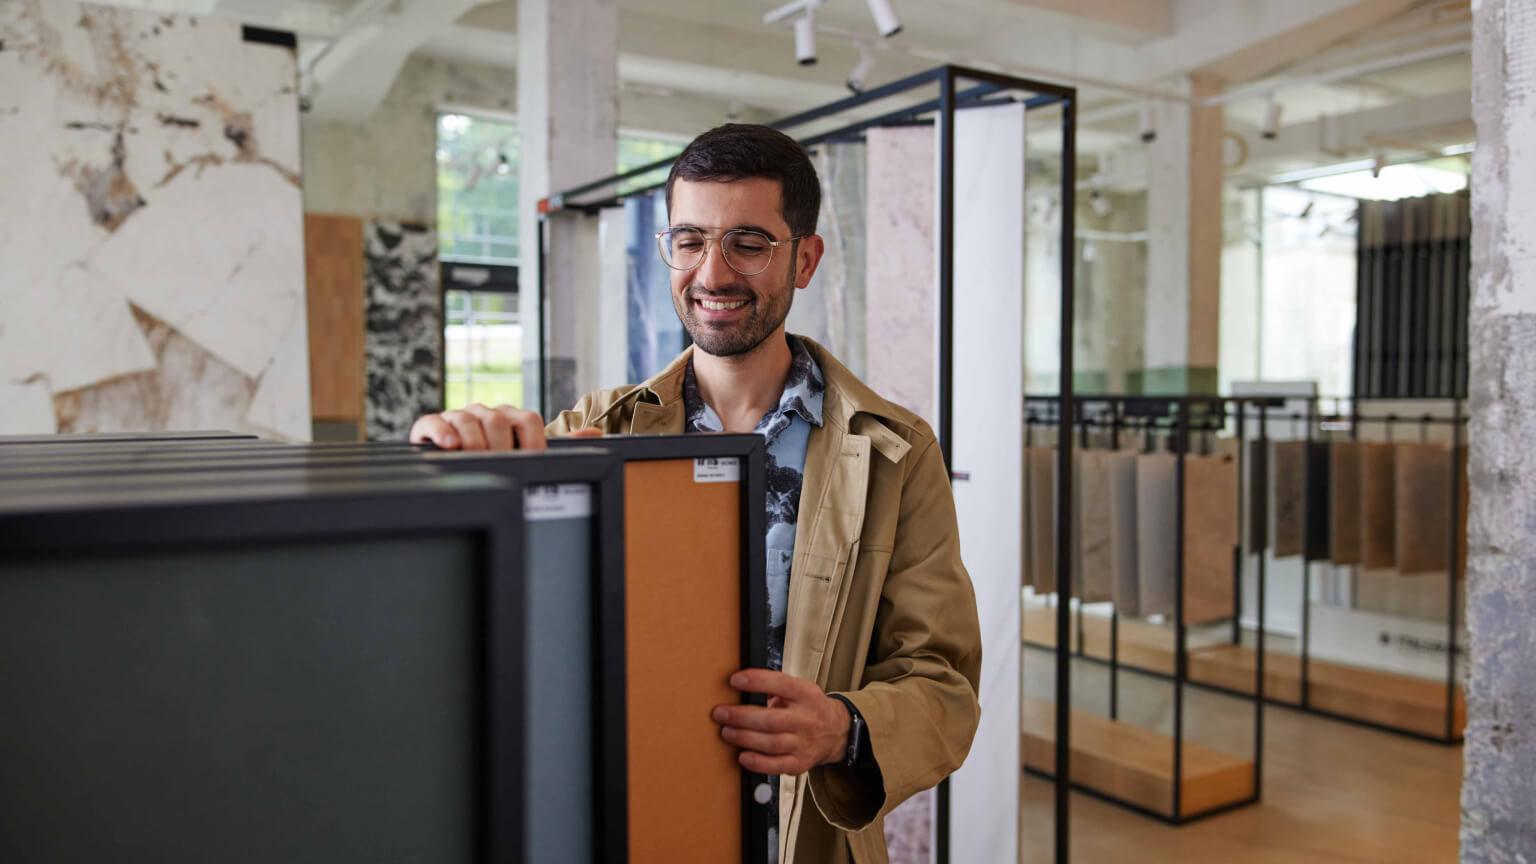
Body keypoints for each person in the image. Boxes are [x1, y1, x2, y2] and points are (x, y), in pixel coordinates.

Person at [410, 123, 981, 864]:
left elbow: (943, 687)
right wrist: (450, 455)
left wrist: (844, 728)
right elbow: (495, 615)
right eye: (689, 240)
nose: (712, 272)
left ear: (804, 260)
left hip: (804, 840)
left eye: (749, 242)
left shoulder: (895, 451)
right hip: (629, 817)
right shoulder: (593, 431)